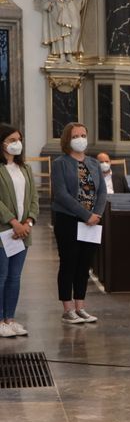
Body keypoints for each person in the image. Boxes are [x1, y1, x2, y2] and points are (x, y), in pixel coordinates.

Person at [51, 123, 106, 324]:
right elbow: (61, 194)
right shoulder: (60, 163)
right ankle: (67, 309)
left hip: (92, 222)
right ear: (67, 139)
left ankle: (80, 306)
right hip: (69, 219)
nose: (81, 138)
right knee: (69, 263)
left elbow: (102, 192)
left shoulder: (93, 163)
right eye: (76, 136)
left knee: (84, 265)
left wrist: (96, 214)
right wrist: (85, 214)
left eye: (83, 135)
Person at [0, 125, 38, 337]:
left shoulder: (26, 169)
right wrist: (13, 222)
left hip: (23, 233)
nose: (17, 143)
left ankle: (10, 319)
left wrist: (28, 223)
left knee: (15, 277)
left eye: (19, 139)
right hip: (4, 232)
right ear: (2, 143)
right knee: (1, 276)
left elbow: (33, 199)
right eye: (12, 139)